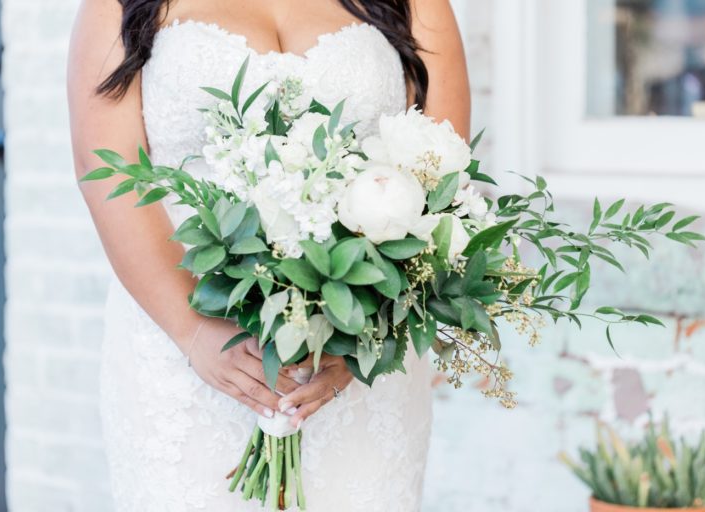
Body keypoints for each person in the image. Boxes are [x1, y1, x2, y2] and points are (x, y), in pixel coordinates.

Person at [67, 0, 470, 510]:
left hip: (360, 360)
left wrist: (364, 337)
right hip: (181, 352)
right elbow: (109, 170)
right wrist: (193, 331)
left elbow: (444, 174)